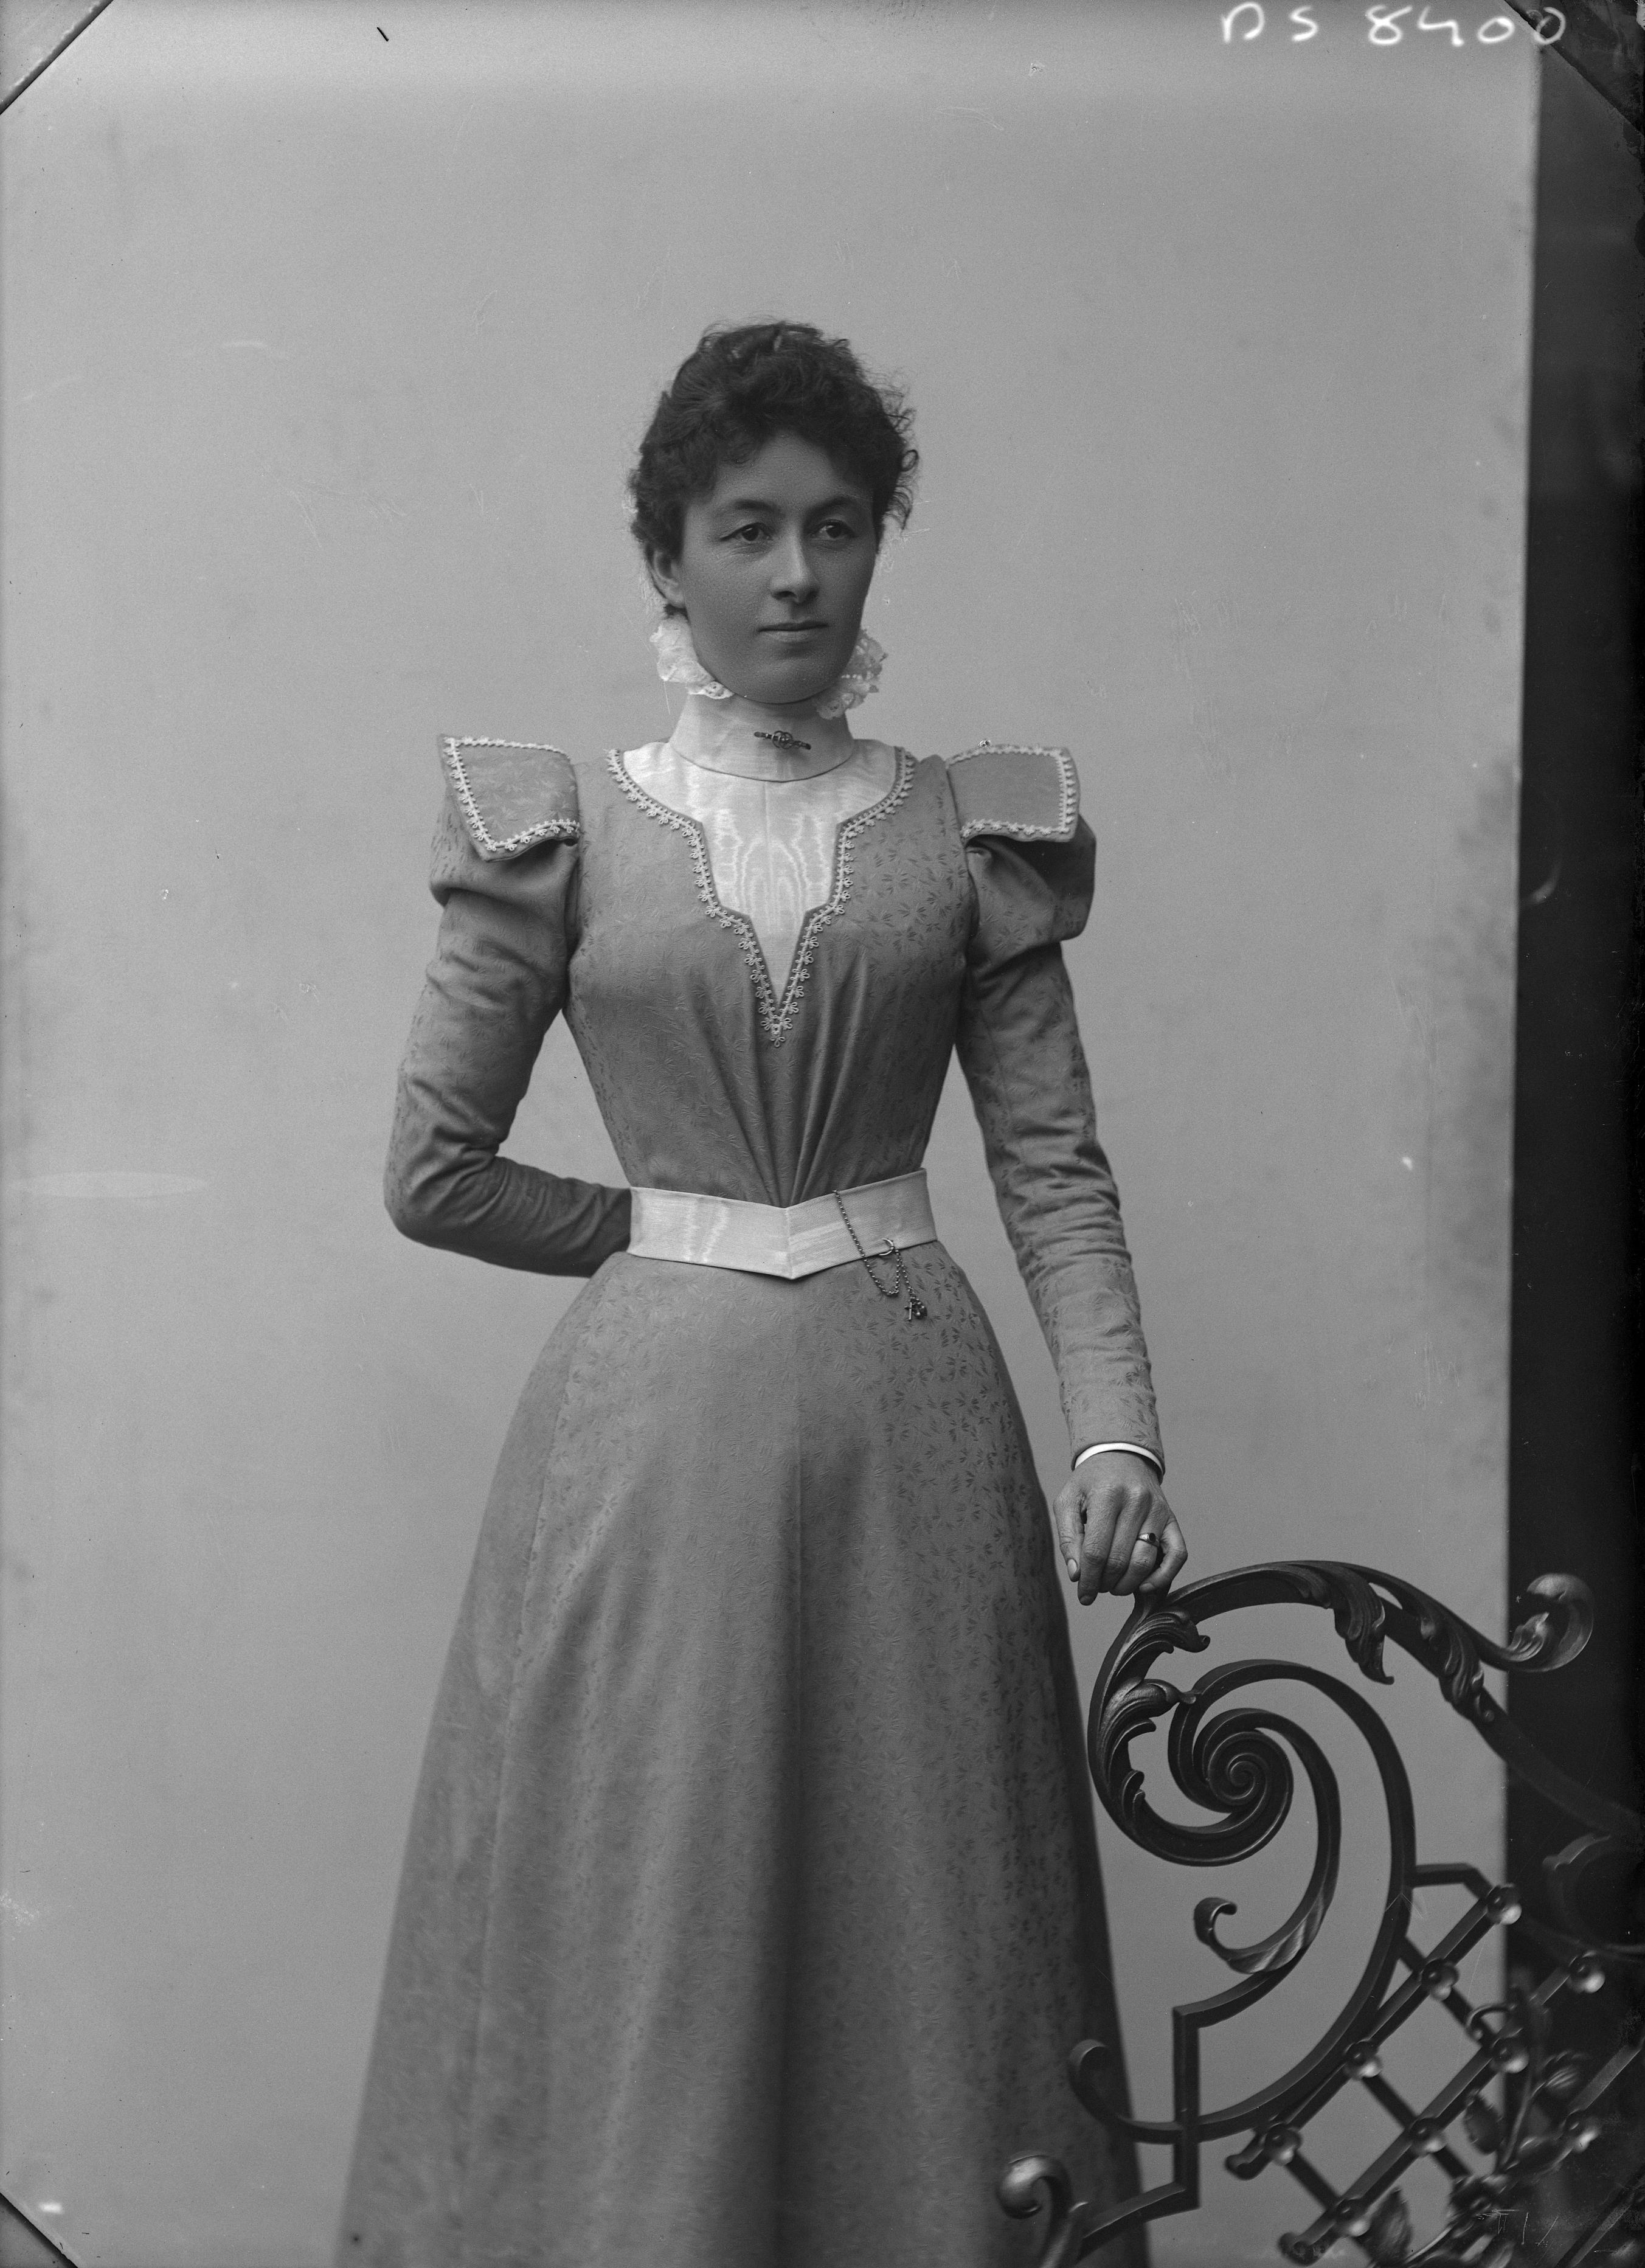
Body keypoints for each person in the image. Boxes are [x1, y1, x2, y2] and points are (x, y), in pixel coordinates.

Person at [337, 320, 1186, 2268]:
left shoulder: (971, 829)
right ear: (666, 557)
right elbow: (432, 1168)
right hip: (650, 1461)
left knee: (933, 1924)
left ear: (877, 542)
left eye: (837, 526)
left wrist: (1115, 1436)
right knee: (649, 1903)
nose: (797, 575)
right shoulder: (557, 830)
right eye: (746, 530)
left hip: (917, 1443)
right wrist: (657, 1234)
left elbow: (1052, 1169)